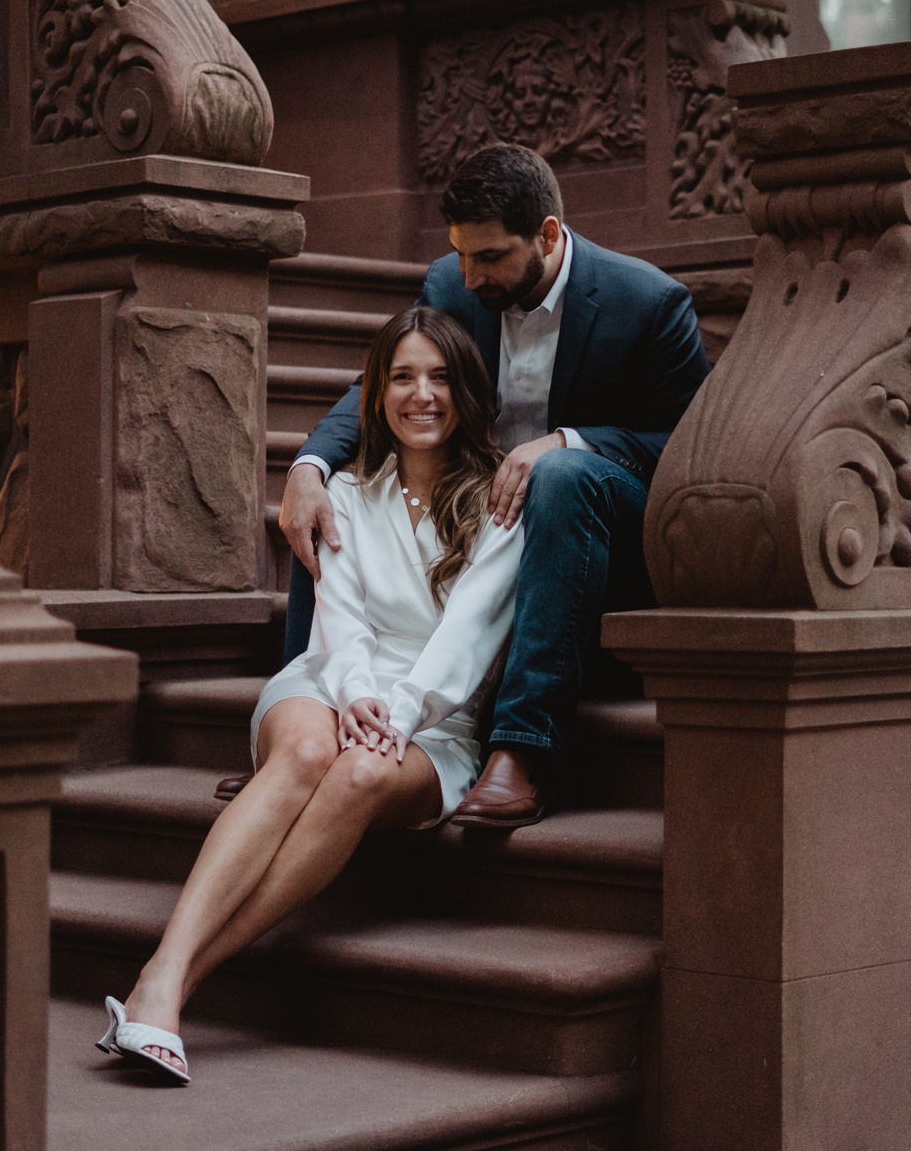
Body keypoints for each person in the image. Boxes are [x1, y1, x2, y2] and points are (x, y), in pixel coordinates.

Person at [96, 306, 520, 1084]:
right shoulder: (348, 493)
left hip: (435, 715)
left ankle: (172, 983)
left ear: (464, 390)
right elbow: (341, 615)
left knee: (358, 771)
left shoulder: (500, 502)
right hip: (329, 677)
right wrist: (356, 693)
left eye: (437, 377)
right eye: (400, 377)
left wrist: (394, 714)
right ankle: (163, 972)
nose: (420, 395)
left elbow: (470, 635)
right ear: (376, 394)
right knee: (307, 749)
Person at [278, 143, 710, 828]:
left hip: (599, 524)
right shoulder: (454, 285)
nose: (469, 275)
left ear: (546, 235)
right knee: (334, 486)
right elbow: (376, 386)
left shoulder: (649, 302)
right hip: (477, 509)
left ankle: (521, 748)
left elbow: (691, 452)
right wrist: (308, 467)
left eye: (489, 257)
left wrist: (570, 441)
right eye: (460, 254)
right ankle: (303, 733)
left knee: (561, 477)